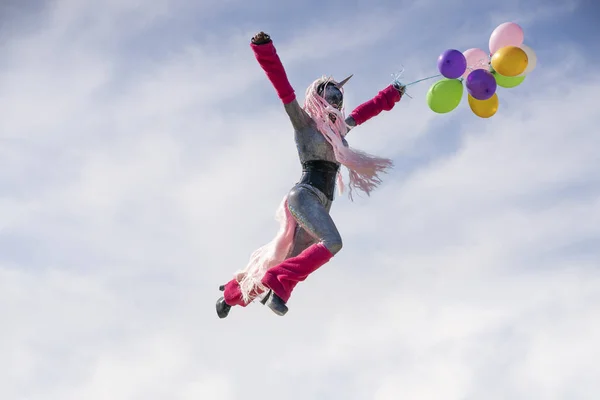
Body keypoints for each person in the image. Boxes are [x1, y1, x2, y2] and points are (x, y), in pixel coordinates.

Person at [216, 31, 405, 318]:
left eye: (339, 96)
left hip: (321, 202)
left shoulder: (337, 132)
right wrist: (264, 50)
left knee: (279, 260)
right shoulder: (304, 124)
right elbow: (284, 89)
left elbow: (367, 111)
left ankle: (231, 296)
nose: (336, 99)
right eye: (331, 93)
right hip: (304, 196)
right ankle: (279, 287)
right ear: (318, 96)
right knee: (333, 242)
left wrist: (393, 94)